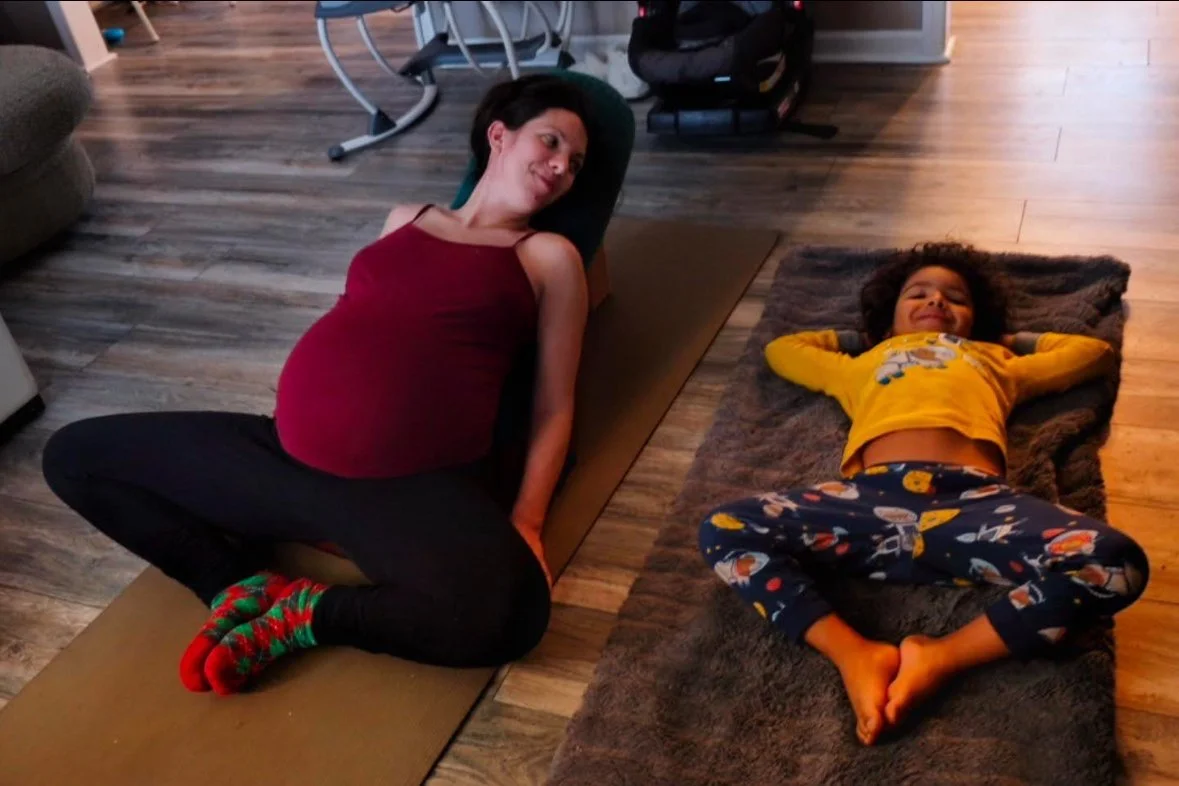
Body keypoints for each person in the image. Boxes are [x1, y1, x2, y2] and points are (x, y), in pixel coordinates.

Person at [41, 74, 594, 696]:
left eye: (574, 164)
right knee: (74, 458)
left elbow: (554, 403)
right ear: (500, 134)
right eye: (550, 143)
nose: (559, 167)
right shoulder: (407, 217)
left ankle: (311, 614)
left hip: (399, 489)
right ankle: (233, 583)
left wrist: (527, 521)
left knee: (513, 615)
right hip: (283, 457)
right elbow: (363, 319)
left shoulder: (547, 255)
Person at [698, 242, 1149, 746]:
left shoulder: (996, 360)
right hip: (869, 503)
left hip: (977, 508)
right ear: (888, 317)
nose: (937, 300)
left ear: (975, 320)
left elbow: (1091, 354)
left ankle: (942, 655)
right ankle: (854, 653)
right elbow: (784, 350)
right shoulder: (861, 362)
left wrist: (1006, 340)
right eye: (919, 293)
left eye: (956, 298)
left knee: (1116, 561)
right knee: (724, 527)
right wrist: (865, 339)